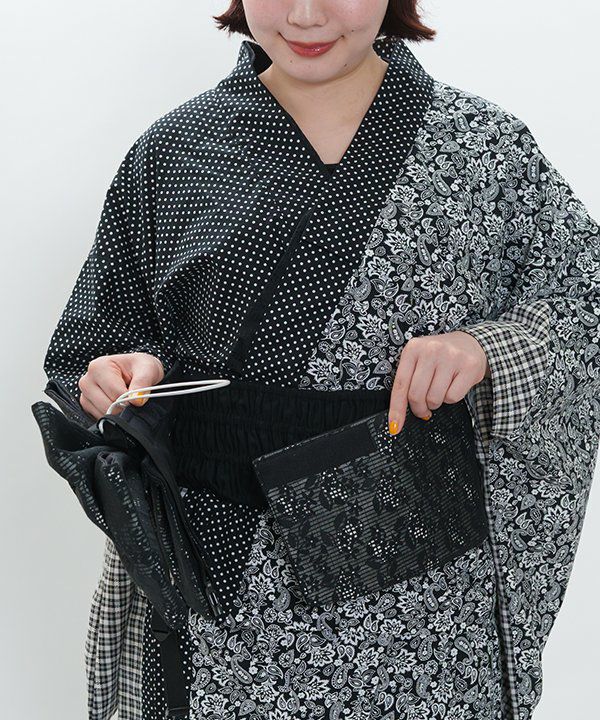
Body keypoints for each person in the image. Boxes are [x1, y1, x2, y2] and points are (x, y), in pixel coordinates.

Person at [42, 1, 600, 719]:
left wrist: (485, 347)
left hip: (417, 580)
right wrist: (121, 373)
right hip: (219, 567)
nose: (307, 14)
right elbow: (93, 341)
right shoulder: (173, 151)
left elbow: (584, 296)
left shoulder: (483, 148)